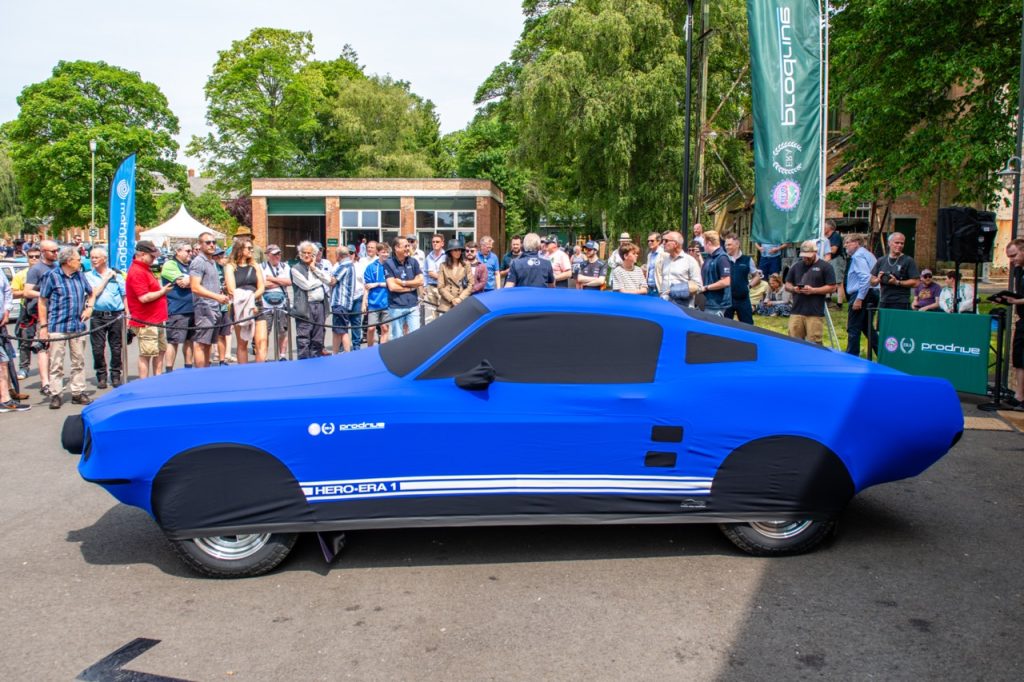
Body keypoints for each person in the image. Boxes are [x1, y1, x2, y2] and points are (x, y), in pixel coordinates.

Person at [38, 246, 97, 408]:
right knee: (56, 362)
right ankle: (56, 393)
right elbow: (42, 301)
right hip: (57, 325)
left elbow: (91, 293)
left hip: (77, 326)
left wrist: (89, 308)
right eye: (78, 259)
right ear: (69, 261)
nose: (81, 262)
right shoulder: (52, 276)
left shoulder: (79, 276)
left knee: (78, 361)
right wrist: (44, 326)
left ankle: (78, 392)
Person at [126, 241, 173, 379]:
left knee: (160, 350)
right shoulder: (137, 271)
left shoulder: (145, 268)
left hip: (156, 318)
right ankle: (144, 383)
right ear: (141, 254)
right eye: (151, 256)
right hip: (146, 320)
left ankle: (157, 379)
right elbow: (144, 298)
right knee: (146, 353)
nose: (154, 259)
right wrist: (163, 291)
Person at [84, 247, 125, 389]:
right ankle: (101, 375)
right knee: (97, 347)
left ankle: (115, 374)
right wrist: (106, 279)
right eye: (92, 257)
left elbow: (124, 296)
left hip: (115, 315)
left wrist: (128, 314)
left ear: (105, 259)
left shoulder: (117, 276)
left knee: (116, 347)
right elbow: (93, 293)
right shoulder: (88, 276)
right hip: (98, 316)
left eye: (96, 257)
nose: (93, 260)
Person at [22, 239, 60, 393]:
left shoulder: (58, 267)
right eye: (53, 251)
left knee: (55, 349)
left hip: (56, 313)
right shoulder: (36, 269)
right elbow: (27, 292)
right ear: (43, 252)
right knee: (43, 347)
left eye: (57, 250)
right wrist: (46, 295)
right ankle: (45, 382)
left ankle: (54, 378)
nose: (56, 253)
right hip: (40, 313)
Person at [189, 232, 231, 368]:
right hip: (203, 307)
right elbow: (195, 287)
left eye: (213, 242)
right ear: (200, 245)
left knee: (208, 344)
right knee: (201, 343)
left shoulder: (211, 261)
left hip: (214, 307)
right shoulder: (198, 262)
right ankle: (200, 375)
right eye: (208, 242)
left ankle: (205, 372)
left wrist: (222, 290)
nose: (212, 244)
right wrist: (217, 297)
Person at [784, 240, 837, 344]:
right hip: (796, 310)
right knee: (793, 341)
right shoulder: (796, 266)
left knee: (814, 343)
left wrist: (813, 290)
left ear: (815, 252)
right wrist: (794, 289)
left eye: (808, 256)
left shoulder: (825, 267)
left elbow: (832, 287)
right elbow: (787, 284)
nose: (805, 258)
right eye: (803, 256)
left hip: (814, 312)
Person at [224, 237, 267, 363]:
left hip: (256, 304)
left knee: (262, 341)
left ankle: (260, 370)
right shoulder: (231, 267)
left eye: (251, 248)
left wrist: (252, 298)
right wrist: (248, 299)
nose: (251, 250)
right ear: (240, 249)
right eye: (248, 248)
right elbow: (232, 289)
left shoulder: (255, 266)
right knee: (242, 343)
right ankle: (244, 371)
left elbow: (261, 286)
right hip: (240, 306)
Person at [291, 240, 333, 359]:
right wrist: (321, 281)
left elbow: (329, 280)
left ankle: (316, 362)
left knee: (318, 338)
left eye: (309, 253)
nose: (306, 255)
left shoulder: (317, 267)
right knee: (304, 338)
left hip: (320, 305)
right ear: (300, 254)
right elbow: (307, 285)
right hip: (305, 307)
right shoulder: (296, 268)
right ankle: (304, 365)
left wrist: (314, 269)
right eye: (304, 252)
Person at [995, 239, 1024, 406]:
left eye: (1014, 255)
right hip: (1022, 319)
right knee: (1018, 358)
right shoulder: (1018, 271)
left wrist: (1016, 301)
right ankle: (1019, 396)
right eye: (1009, 257)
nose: (1012, 260)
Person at [160, 242, 195, 372]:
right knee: (173, 340)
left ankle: (188, 368)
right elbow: (182, 282)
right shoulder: (170, 264)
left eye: (191, 251)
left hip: (192, 308)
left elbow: (197, 280)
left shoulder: (191, 265)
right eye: (187, 251)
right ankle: (169, 370)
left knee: (190, 340)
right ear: (178, 252)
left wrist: (192, 280)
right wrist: (194, 281)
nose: (190, 253)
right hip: (177, 309)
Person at [843, 233, 879, 356]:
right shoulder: (868, 254)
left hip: (862, 293)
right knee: (867, 327)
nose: (845, 245)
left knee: (853, 327)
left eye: (848, 242)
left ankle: (851, 356)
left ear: (857, 243)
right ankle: (883, 353)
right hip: (872, 292)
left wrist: (859, 298)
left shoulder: (858, 256)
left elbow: (865, 278)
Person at [0, 268, 30, 412]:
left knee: (5, 360)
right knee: (3, 361)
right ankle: (5, 399)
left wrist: (6, 312)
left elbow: (7, 291)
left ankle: (6, 396)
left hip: (1, 324)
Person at [385, 236, 424, 340]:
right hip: (396, 307)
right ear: (396, 248)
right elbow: (392, 287)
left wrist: (403, 282)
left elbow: (420, 281)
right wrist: (411, 287)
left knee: (416, 336)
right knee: (397, 337)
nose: (408, 248)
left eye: (408, 245)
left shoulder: (413, 262)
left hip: (413, 305)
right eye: (405, 246)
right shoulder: (388, 263)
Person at [11, 245, 40, 381]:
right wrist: (27, 292)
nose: (34, 259)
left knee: (47, 342)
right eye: (31, 257)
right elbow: (13, 293)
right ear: (27, 258)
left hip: (44, 310)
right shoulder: (21, 275)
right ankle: (24, 368)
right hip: (27, 312)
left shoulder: (47, 273)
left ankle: (49, 370)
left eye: (37, 256)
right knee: (24, 341)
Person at [870, 232, 920, 310]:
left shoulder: (908, 260)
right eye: (897, 243)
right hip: (884, 300)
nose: (899, 245)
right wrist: (878, 280)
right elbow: (871, 282)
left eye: (902, 243)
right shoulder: (881, 260)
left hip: (901, 302)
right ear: (889, 243)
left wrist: (897, 282)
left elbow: (916, 282)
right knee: (883, 322)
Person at [261, 244, 291, 360]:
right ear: (268, 255)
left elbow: (289, 282)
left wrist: (272, 279)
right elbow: (262, 284)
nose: (277, 256)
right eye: (274, 254)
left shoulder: (285, 266)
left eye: (279, 253)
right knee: (265, 332)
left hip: (282, 303)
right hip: (265, 304)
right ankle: (265, 356)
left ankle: (282, 355)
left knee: (283, 330)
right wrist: (280, 281)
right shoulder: (261, 267)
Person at [658, 231, 702, 309]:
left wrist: (675, 291)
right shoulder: (665, 260)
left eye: (666, 241)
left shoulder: (690, 261)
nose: (663, 243)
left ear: (675, 244)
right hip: (664, 305)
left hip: (682, 308)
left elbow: (698, 286)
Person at [723, 233, 757, 324]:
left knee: (748, 326)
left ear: (737, 244)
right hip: (727, 298)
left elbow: (756, 276)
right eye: (725, 245)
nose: (726, 247)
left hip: (743, 299)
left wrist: (749, 286)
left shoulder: (747, 260)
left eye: (729, 245)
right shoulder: (723, 259)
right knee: (724, 326)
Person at [697, 230, 732, 316]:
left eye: (703, 243)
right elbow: (708, 272)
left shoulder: (722, 258)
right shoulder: (710, 257)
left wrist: (707, 287)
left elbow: (726, 281)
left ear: (708, 243)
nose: (703, 246)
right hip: (706, 302)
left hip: (716, 305)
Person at [363, 242, 391, 345]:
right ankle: (370, 350)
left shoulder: (391, 266)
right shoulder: (371, 267)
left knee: (385, 328)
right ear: (378, 252)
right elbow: (367, 285)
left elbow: (392, 283)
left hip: (387, 302)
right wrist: (364, 302)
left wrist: (377, 284)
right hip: (373, 303)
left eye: (387, 252)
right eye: (383, 252)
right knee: (371, 328)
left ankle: (382, 349)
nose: (385, 254)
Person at [437, 239, 471, 314]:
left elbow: (471, 284)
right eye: (455, 250)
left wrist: (460, 298)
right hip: (447, 303)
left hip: (462, 301)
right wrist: (452, 299)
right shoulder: (443, 266)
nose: (458, 252)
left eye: (459, 250)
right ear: (450, 252)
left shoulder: (466, 265)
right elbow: (440, 286)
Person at [823, 220, 846, 306]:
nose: (823, 227)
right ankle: (828, 299)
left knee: (838, 281)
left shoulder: (835, 236)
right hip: (828, 259)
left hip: (837, 259)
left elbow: (833, 250)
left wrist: (824, 248)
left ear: (830, 227)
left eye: (825, 226)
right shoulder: (825, 237)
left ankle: (839, 304)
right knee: (827, 279)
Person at [424, 234, 446, 323]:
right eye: (433, 242)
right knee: (433, 313)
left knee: (443, 312)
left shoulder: (447, 256)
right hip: (431, 287)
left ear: (442, 243)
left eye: (437, 242)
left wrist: (434, 275)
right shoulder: (428, 257)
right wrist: (425, 286)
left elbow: (448, 273)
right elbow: (425, 273)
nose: (435, 243)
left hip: (442, 287)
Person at [644, 233, 664, 297]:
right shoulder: (649, 255)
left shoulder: (664, 254)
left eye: (652, 241)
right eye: (648, 241)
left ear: (659, 241)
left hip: (658, 289)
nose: (649, 242)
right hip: (649, 288)